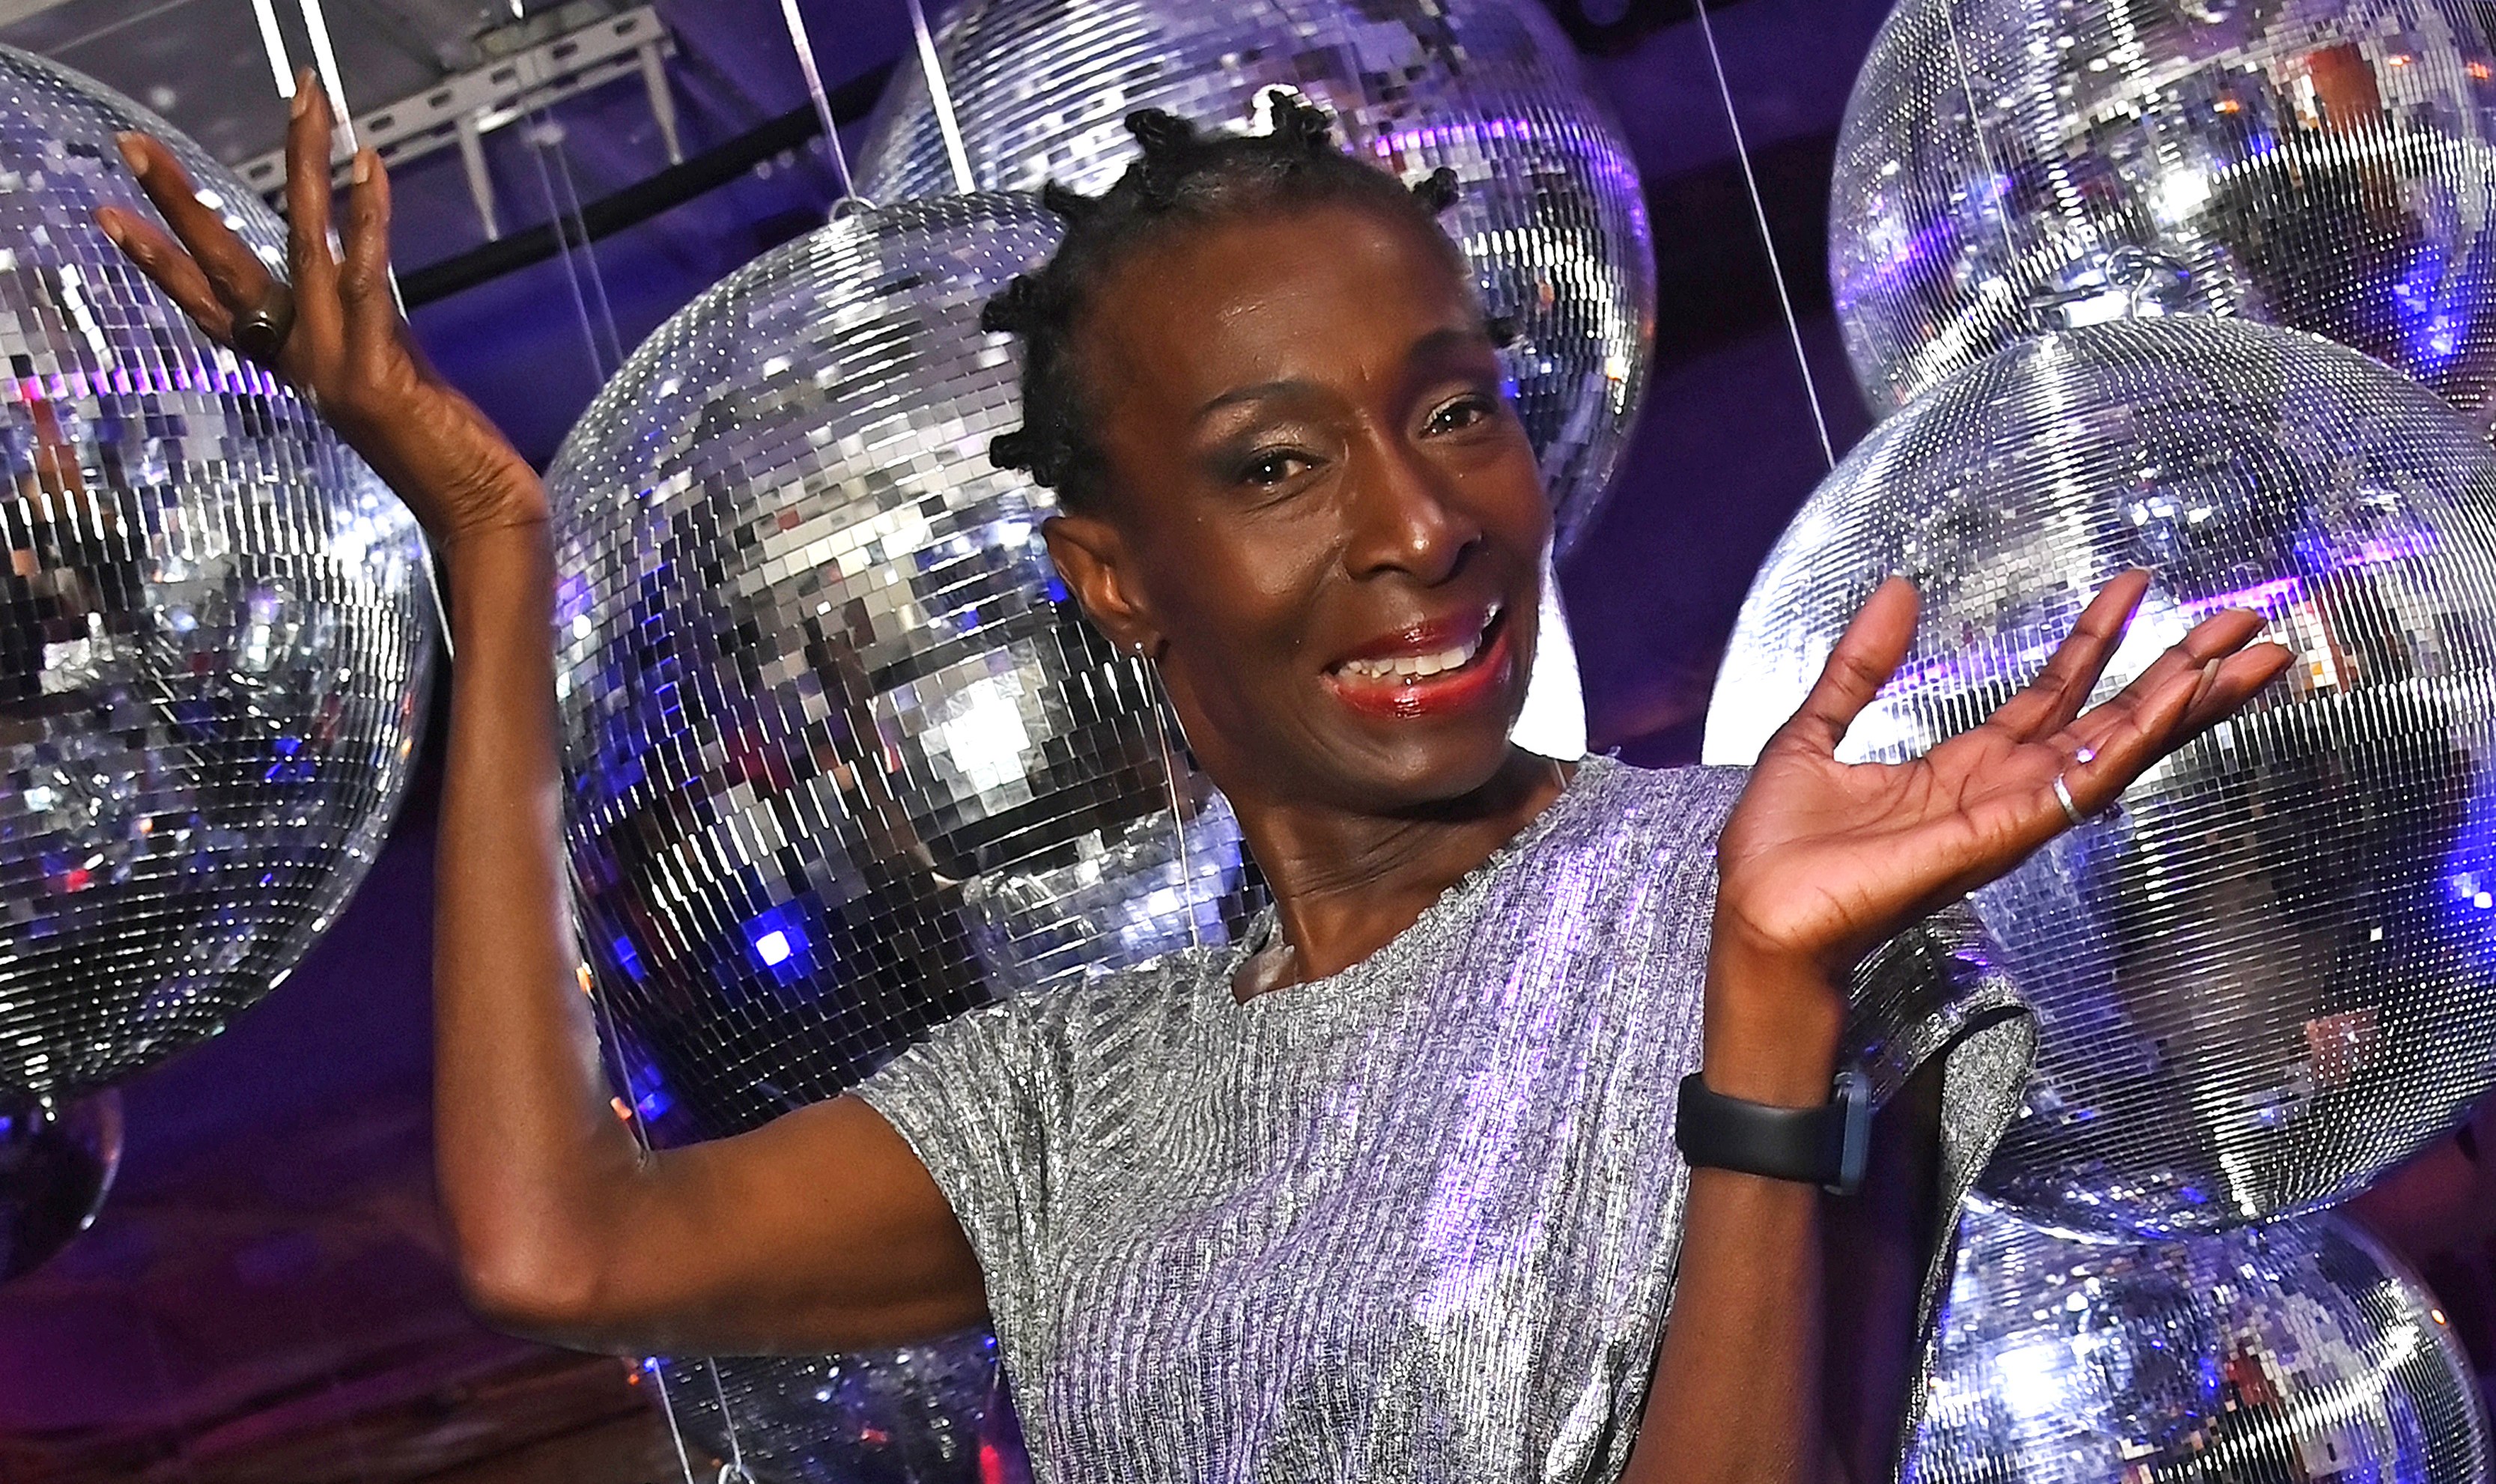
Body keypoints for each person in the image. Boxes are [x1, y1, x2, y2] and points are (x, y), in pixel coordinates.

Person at [96, 75, 2289, 1484]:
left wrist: (1771, 1007)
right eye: (1272, 465)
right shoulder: (1066, 1113)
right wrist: (493, 537)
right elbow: (560, 1245)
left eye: (1452, 412)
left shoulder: (1765, 899)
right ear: (1116, 572)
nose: (1418, 526)